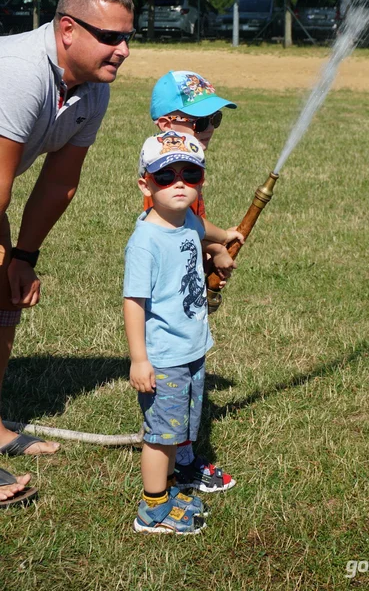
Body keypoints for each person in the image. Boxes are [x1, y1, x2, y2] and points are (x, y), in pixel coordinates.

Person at [0, 0, 134, 471]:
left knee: (4, 294)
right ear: (68, 30)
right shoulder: (19, 70)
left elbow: (60, 183)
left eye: (127, 38)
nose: (122, 51)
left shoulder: (92, 89)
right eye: (110, 37)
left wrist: (23, 257)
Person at [124, 131, 242, 534]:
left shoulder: (185, 218)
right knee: (161, 435)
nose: (179, 183)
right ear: (145, 184)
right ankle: (152, 509)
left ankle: (171, 487)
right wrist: (140, 358)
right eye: (165, 175)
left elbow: (201, 227)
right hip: (164, 357)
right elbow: (134, 303)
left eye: (190, 174)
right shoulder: (146, 242)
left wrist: (223, 242)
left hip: (191, 349)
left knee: (178, 430)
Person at [148, 70, 239, 492]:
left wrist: (214, 247)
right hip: (170, 319)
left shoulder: (184, 170)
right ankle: (177, 470)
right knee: (178, 392)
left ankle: (181, 458)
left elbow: (194, 225)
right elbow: (184, 225)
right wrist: (217, 246)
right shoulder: (165, 174)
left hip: (188, 308)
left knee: (192, 388)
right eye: (201, 122)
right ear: (167, 124)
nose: (210, 130)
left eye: (214, 120)